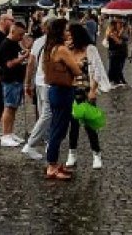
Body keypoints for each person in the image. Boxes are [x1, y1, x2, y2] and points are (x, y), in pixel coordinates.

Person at [65, 23, 110, 170]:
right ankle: (72, 153)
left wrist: (93, 90)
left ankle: (96, 154)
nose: (68, 38)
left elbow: (96, 70)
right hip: (71, 91)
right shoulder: (67, 50)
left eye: (71, 35)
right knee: (73, 125)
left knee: (90, 124)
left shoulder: (90, 49)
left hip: (86, 90)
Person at [43, 18, 82, 180]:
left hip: (54, 90)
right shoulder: (62, 50)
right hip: (63, 91)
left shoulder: (49, 48)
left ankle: (53, 162)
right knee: (58, 130)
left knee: (56, 127)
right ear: (59, 32)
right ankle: (52, 166)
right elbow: (77, 70)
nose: (69, 33)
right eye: (66, 30)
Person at [22, 18, 49, 160]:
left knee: (44, 113)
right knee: (47, 114)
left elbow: (31, 64)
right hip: (47, 82)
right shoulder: (50, 43)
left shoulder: (38, 41)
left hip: (39, 82)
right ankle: (32, 143)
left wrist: (28, 83)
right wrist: (27, 83)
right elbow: (31, 63)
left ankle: (45, 141)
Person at [0, 20, 29, 146]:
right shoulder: (6, 44)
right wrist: (22, 58)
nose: (21, 37)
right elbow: (9, 64)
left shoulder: (15, 43)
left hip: (17, 79)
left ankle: (10, 133)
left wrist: (23, 53)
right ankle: (5, 135)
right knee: (9, 107)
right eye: (20, 35)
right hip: (10, 79)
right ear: (13, 31)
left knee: (13, 108)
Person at [105, 19, 129, 87]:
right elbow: (119, 42)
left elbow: (125, 39)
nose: (121, 24)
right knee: (113, 67)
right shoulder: (111, 32)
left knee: (119, 67)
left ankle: (117, 80)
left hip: (121, 52)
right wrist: (115, 35)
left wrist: (122, 31)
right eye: (119, 23)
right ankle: (115, 80)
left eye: (121, 23)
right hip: (114, 52)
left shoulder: (121, 31)